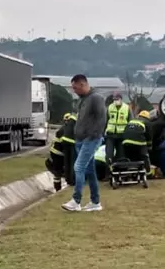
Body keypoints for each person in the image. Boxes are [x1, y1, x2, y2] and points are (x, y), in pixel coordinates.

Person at [63, 74, 105, 212]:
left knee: (78, 167)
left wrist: (93, 135)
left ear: (82, 84)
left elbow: (101, 119)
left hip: (91, 139)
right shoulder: (82, 100)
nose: (74, 91)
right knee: (90, 170)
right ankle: (95, 201)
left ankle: (76, 200)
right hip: (80, 140)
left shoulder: (96, 98)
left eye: (75, 88)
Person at [46, 112, 77, 192]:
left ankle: (58, 189)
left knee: (57, 173)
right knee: (58, 172)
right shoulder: (66, 130)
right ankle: (58, 189)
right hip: (58, 154)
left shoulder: (63, 129)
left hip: (55, 153)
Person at [105, 90, 131, 161]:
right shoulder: (110, 107)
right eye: (114, 99)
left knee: (121, 156)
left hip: (121, 136)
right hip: (110, 135)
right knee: (108, 155)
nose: (115, 101)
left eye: (117, 99)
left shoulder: (127, 108)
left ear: (121, 99)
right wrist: (103, 133)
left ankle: (119, 170)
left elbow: (130, 122)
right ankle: (108, 170)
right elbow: (106, 121)